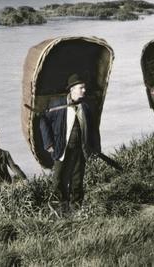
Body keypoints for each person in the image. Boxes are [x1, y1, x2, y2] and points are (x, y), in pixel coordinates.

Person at [39, 73, 101, 211]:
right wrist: (48, 143)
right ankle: (62, 209)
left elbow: (93, 129)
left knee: (77, 180)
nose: (84, 90)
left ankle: (76, 209)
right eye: (81, 88)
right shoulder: (58, 104)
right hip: (62, 148)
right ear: (72, 89)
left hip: (80, 149)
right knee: (58, 181)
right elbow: (43, 120)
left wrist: (96, 147)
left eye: (84, 88)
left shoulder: (86, 106)